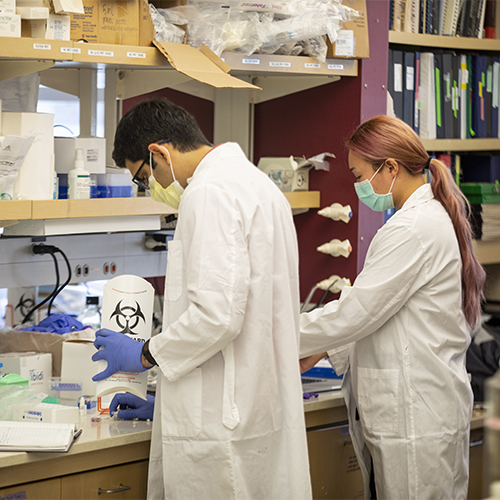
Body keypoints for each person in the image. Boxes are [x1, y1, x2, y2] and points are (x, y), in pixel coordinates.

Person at [91, 99, 312, 500]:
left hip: (220, 428)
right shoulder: (258, 184)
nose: (151, 187)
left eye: (144, 177)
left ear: (158, 152)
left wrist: (145, 353)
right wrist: (168, 403)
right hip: (251, 409)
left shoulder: (209, 193)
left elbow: (217, 317)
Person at [299, 115, 486, 500]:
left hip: (416, 413)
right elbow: (388, 313)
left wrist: (275, 335)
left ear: (390, 168)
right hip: (420, 407)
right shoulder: (425, 217)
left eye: (358, 174)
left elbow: (358, 311)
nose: (356, 186)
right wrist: (323, 346)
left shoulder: (412, 228)